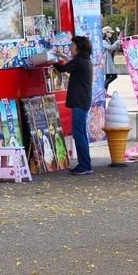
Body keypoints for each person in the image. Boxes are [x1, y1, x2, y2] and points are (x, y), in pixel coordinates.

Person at [51, 36, 94, 175]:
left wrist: (51, 60)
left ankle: (85, 165)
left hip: (79, 101)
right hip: (83, 100)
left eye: (73, 45)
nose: (71, 47)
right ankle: (85, 164)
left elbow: (63, 68)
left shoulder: (79, 62)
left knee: (78, 133)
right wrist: (63, 55)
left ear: (79, 47)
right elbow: (72, 66)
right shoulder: (84, 61)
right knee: (81, 133)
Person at [102, 26, 121, 96]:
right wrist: (117, 42)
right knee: (114, 76)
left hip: (109, 61)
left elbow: (115, 48)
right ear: (106, 32)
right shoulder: (103, 41)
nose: (111, 34)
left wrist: (119, 43)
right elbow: (111, 47)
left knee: (108, 77)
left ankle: (104, 92)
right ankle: (102, 89)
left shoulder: (109, 41)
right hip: (107, 61)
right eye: (110, 32)